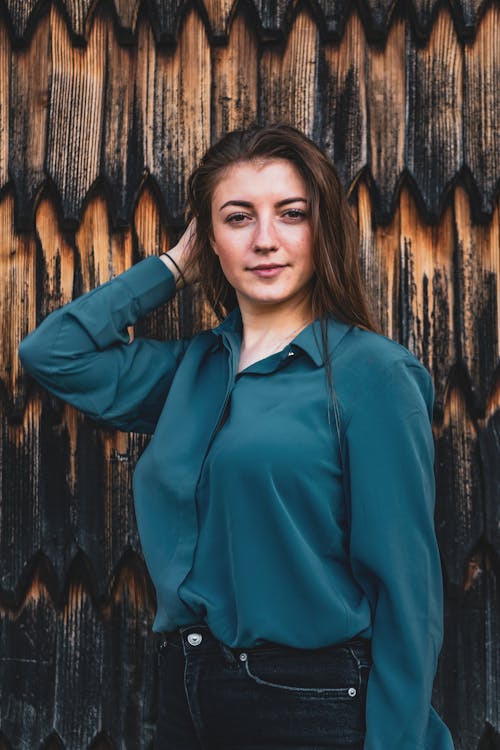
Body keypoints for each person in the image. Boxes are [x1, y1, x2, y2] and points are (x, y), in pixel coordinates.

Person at [18, 124, 455, 750]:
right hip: (187, 691)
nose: (266, 240)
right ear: (210, 241)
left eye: (291, 214)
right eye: (238, 218)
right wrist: (172, 267)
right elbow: (52, 353)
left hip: (313, 703)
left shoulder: (373, 377)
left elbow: (408, 594)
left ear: (320, 230)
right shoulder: (192, 371)